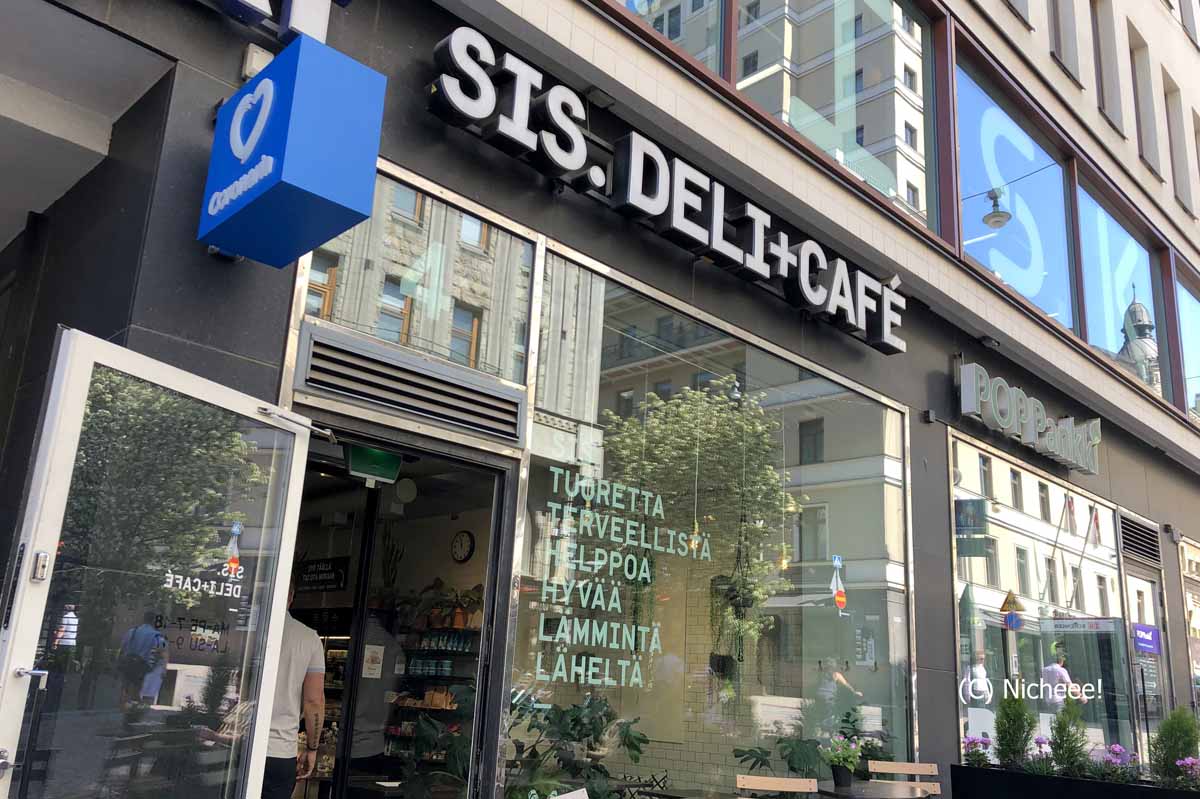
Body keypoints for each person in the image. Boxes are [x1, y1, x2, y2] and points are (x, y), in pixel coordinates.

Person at [263, 582, 325, 799]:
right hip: (279, 753)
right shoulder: (309, 639)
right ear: (291, 596)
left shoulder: (248, 628)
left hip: (237, 745)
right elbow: (314, 701)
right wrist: (312, 749)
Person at [117, 611, 168, 706]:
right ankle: (135, 707)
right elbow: (163, 651)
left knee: (126, 687)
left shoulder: (132, 632)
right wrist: (164, 668)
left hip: (128, 663)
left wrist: (119, 661)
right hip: (142, 666)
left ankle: (123, 706)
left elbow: (122, 648)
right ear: (154, 621)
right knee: (138, 689)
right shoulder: (156, 635)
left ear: (143, 619)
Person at [1041, 644, 1087, 713]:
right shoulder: (1061, 670)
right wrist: (1081, 696)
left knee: (1051, 718)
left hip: (1047, 700)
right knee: (1060, 718)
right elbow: (1070, 686)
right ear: (1062, 659)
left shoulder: (1044, 670)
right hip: (1058, 700)